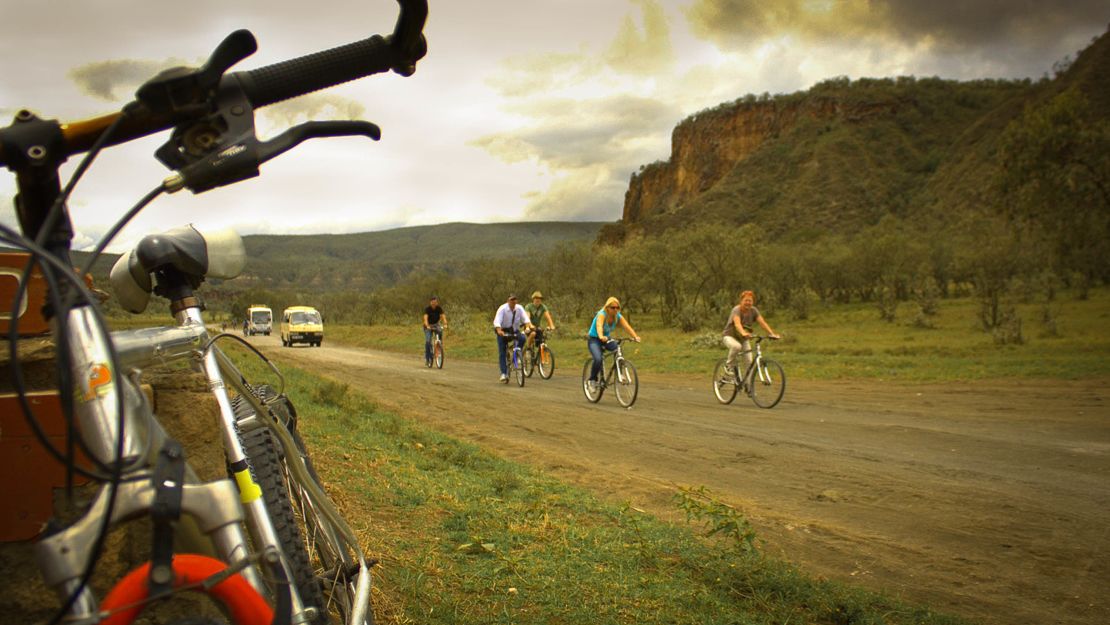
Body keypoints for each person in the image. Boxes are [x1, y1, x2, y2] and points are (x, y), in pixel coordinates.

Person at [586, 296, 640, 389]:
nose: (615, 310)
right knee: (598, 359)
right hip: (594, 339)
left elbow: (626, 326)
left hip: (606, 338)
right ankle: (592, 380)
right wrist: (601, 336)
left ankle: (620, 374)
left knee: (617, 349)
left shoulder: (617, 316)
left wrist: (635, 336)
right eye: (613, 308)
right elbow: (599, 326)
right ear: (607, 307)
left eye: (617, 308)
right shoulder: (602, 314)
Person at [722, 290, 780, 378]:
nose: (748, 303)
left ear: (753, 302)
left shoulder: (754, 311)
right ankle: (728, 367)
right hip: (729, 336)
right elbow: (737, 324)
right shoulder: (736, 310)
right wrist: (743, 333)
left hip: (743, 339)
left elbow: (762, 323)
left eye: (750, 301)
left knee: (749, 362)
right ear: (741, 301)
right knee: (736, 346)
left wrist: (772, 334)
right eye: (746, 300)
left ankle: (748, 387)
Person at [493, 294, 531, 382]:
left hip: (514, 331)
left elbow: (526, 319)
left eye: (515, 300)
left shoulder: (519, 308)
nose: (513, 302)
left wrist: (528, 327)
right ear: (508, 301)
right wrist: (499, 331)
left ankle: (517, 354)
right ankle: (503, 373)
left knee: (522, 339)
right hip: (503, 331)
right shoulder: (502, 309)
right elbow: (497, 321)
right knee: (502, 351)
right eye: (511, 300)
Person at [423, 295, 447, 367]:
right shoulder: (427, 309)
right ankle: (427, 358)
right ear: (430, 302)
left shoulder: (439, 308)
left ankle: (439, 347)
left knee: (440, 332)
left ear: (437, 302)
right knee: (428, 341)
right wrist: (427, 325)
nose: (434, 304)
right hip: (428, 326)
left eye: (435, 302)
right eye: (432, 302)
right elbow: (425, 318)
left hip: (436, 325)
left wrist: (445, 324)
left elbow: (443, 316)